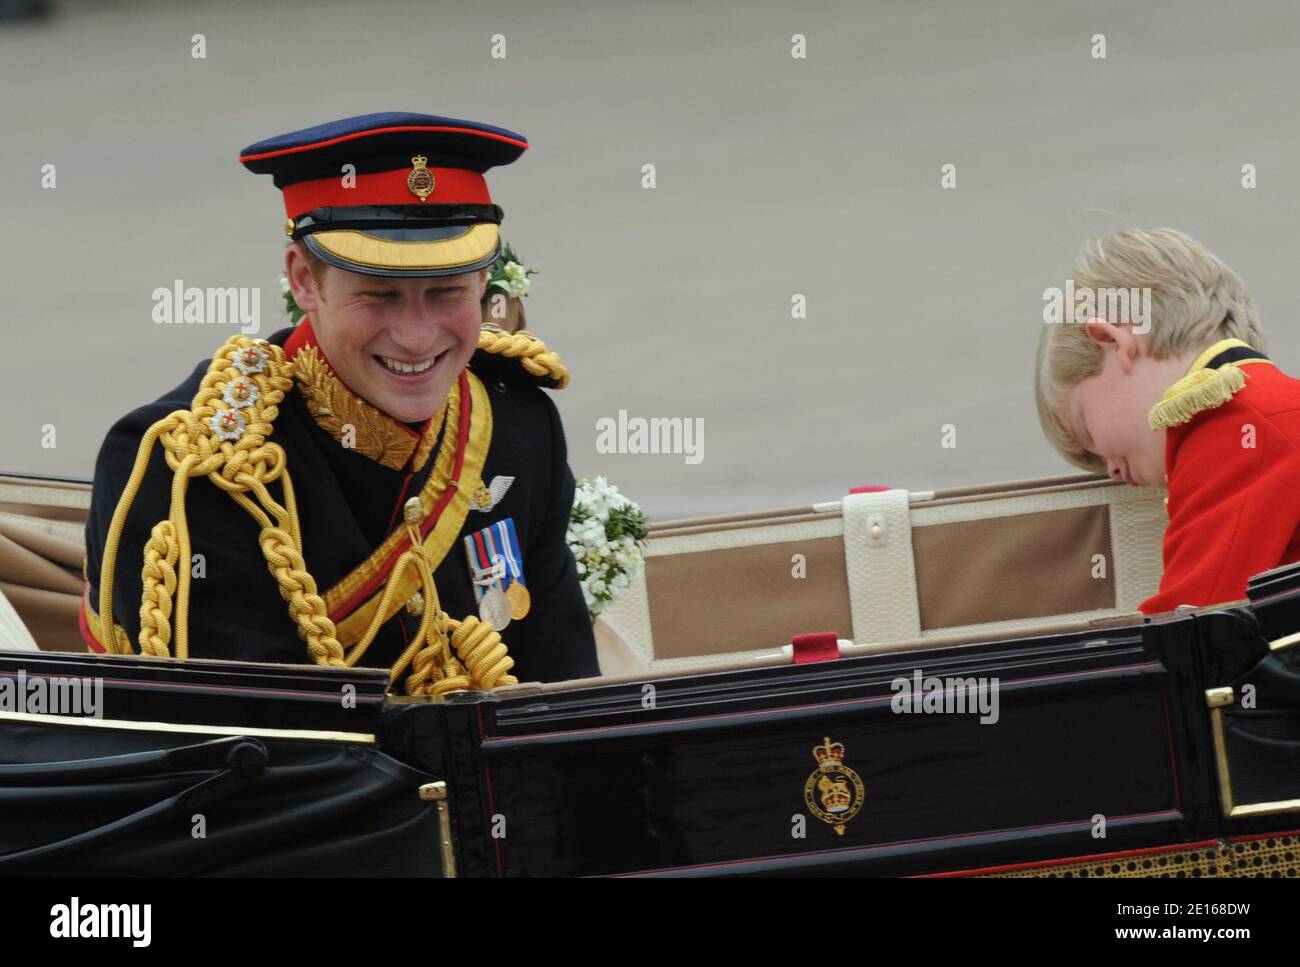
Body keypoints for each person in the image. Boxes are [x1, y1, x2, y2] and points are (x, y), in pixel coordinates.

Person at [82, 112, 599, 692]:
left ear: (483, 284)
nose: (417, 336)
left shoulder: (515, 420)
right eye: (379, 295)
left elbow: (565, 681)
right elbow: (242, 747)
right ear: (304, 281)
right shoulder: (193, 469)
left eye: (446, 292)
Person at [1035, 227, 1300, 615]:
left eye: (1087, 429)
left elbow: (1193, 625)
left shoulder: (1233, 423)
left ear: (1115, 343)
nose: (1109, 469)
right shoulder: (1265, 405)